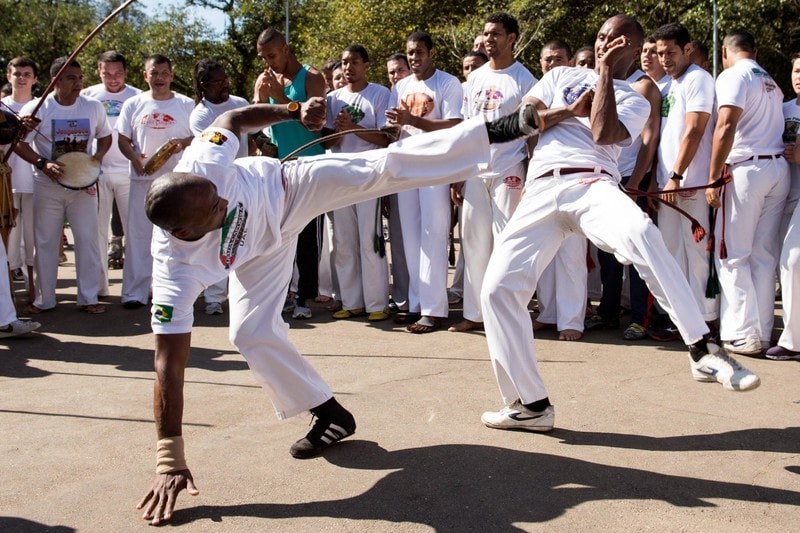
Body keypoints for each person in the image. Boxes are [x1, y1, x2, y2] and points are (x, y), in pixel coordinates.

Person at [136, 96, 542, 525]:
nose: (224, 201)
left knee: (379, 169)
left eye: (220, 196)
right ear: (184, 231)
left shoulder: (206, 164)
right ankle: (330, 414)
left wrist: (290, 112)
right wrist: (169, 458)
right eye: (216, 209)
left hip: (287, 191)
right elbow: (168, 365)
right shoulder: (173, 274)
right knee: (250, 333)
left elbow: (233, 118)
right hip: (257, 252)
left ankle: (495, 132)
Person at [479, 15, 760, 435]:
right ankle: (531, 405)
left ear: (635, 48)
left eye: (616, 39)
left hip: (592, 183)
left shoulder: (635, 97)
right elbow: (523, 120)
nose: (605, 42)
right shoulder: (562, 74)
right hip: (540, 188)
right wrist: (565, 110)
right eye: (600, 36)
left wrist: (605, 78)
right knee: (497, 290)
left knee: (643, 235)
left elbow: (602, 130)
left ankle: (702, 348)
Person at [449, 12, 536, 333]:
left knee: (507, 244)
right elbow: (466, 128)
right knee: (473, 242)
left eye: (496, 34)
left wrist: (533, 176)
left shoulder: (525, 80)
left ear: (511, 38)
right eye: (486, 34)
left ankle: (509, 315)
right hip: (475, 170)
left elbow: (534, 134)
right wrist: (459, 173)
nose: (489, 39)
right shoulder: (476, 79)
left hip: (509, 170)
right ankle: (475, 313)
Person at [705, 30, 789, 355]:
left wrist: (713, 177)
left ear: (725, 51)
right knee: (763, 256)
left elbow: (725, 125)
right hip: (775, 166)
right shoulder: (771, 81)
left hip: (747, 169)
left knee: (732, 253)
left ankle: (743, 333)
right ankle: (763, 331)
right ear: (754, 49)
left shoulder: (733, 75)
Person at [16, 57, 112, 314]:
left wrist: (95, 160)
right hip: (47, 185)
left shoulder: (92, 107)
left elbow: (105, 136)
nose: (79, 83)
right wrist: (42, 163)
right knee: (45, 242)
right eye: (71, 78)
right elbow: (19, 142)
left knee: (88, 239)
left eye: (80, 78)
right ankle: (43, 300)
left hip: (84, 187)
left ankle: (89, 298)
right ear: (55, 81)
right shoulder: (37, 108)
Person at [386, 31, 463, 333]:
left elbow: (456, 124)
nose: (414, 58)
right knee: (410, 237)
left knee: (433, 235)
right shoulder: (401, 85)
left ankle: (434, 309)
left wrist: (414, 121)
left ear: (432, 53)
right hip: (407, 164)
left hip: (436, 166)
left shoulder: (448, 83)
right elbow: (394, 127)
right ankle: (416, 304)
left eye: (419, 52)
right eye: (410, 53)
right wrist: (393, 126)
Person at [586, 38, 662, 340]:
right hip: (605, 176)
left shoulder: (643, 87)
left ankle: (641, 318)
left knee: (637, 250)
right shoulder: (598, 79)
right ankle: (608, 310)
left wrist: (635, 182)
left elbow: (649, 139)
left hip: (632, 179)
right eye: (602, 39)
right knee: (607, 251)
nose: (606, 46)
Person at [254, 27, 328, 320]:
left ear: (285, 48)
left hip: (309, 165)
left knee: (309, 235)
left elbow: (316, 123)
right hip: (278, 166)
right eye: (263, 58)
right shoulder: (266, 79)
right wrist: (261, 99)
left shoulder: (311, 77)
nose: (267, 63)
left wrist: (280, 97)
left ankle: (305, 297)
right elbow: (256, 120)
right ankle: (282, 292)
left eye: (271, 55)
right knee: (279, 234)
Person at [651, 23, 718, 340]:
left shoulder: (699, 80)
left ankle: (705, 321)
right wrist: (660, 179)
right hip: (668, 186)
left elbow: (695, 130)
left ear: (688, 49)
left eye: (670, 52)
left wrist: (676, 176)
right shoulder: (669, 85)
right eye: (660, 52)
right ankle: (682, 320)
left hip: (691, 183)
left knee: (697, 256)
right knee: (671, 253)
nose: (664, 58)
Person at [117, 54, 194, 310]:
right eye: (154, 73)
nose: (159, 78)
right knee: (139, 237)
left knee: (177, 237)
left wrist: (183, 143)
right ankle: (134, 293)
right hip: (142, 180)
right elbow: (123, 140)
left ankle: (174, 292)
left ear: (171, 76)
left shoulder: (186, 105)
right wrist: (134, 157)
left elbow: (199, 136)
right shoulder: (133, 104)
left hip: (177, 183)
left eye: (163, 73)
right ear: (145, 75)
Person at [323, 44, 392, 321]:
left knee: (369, 240)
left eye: (354, 62)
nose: (348, 67)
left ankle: (377, 303)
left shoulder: (379, 94)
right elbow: (328, 141)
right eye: (344, 62)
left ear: (366, 65)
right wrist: (339, 131)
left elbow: (387, 137)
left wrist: (354, 127)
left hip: (369, 174)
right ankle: (351, 301)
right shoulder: (333, 98)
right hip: (341, 174)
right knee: (344, 241)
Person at [533, 37, 587, 342]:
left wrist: (558, 114)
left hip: (578, 175)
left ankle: (571, 321)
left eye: (557, 59)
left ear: (568, 62)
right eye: (546, 59)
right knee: (545, 253)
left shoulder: (582, 87)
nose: (551, 64)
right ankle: (548, 313)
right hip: (542, 176)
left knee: (571, 253)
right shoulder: (541, 90)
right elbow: (528, 125)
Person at [189, 58, 251, 316]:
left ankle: (243, 296)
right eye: (217, 81)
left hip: (244, 180)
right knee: (218, 239)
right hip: (216, 185)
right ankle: (214, 296)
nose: (224, 84)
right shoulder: (200, 115)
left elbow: (253, 138)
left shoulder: (241, 104)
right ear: (204, 86)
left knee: (244, 237)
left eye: (225, 79)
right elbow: (217, 147)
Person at [82, 51, 141, 299]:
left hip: (129, 173)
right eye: (107, 73)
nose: (113, 79)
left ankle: (135, 289)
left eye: (118, 73)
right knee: (96, 232)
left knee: (135, 232)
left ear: (125, 72)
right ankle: (98, 287)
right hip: (97, 172)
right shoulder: (88, 96)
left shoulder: (137, 96)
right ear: (99, 71)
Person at [2, 57, 38, 302]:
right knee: (8, 243)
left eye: (27, 74)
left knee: (34, 241)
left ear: (35, 79)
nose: (22, 78)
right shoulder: (2, 107)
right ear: (9, 77)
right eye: (17, 74)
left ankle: (36, 292)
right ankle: (9, 297)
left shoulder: (41, 106)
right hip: (6, 183)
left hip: (36, 182)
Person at [384, 53, 412, 312]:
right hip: (397, 174)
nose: (395, 76)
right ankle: (402, 297)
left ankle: (423, 298)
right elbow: (387, 136)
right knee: (399, 242)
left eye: (399, 70)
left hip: (424, 173)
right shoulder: (393, 96)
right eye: (391, 72)